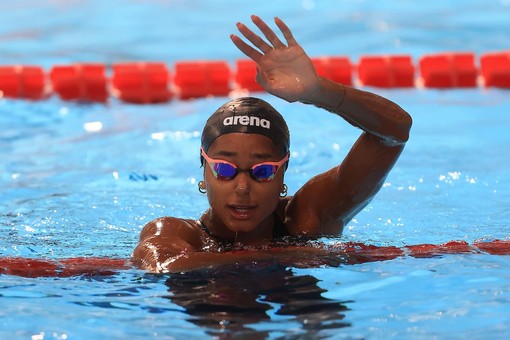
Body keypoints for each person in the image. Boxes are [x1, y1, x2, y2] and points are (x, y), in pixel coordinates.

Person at [132, 15, 412, 273]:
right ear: (204, 169)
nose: (242, 188)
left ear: (282, 173)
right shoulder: (176, 232)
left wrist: (318, 92)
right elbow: (163, 265)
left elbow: (394, 131)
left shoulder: (307, 218)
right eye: (225, 169)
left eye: (262, 171)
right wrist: (288, 256)